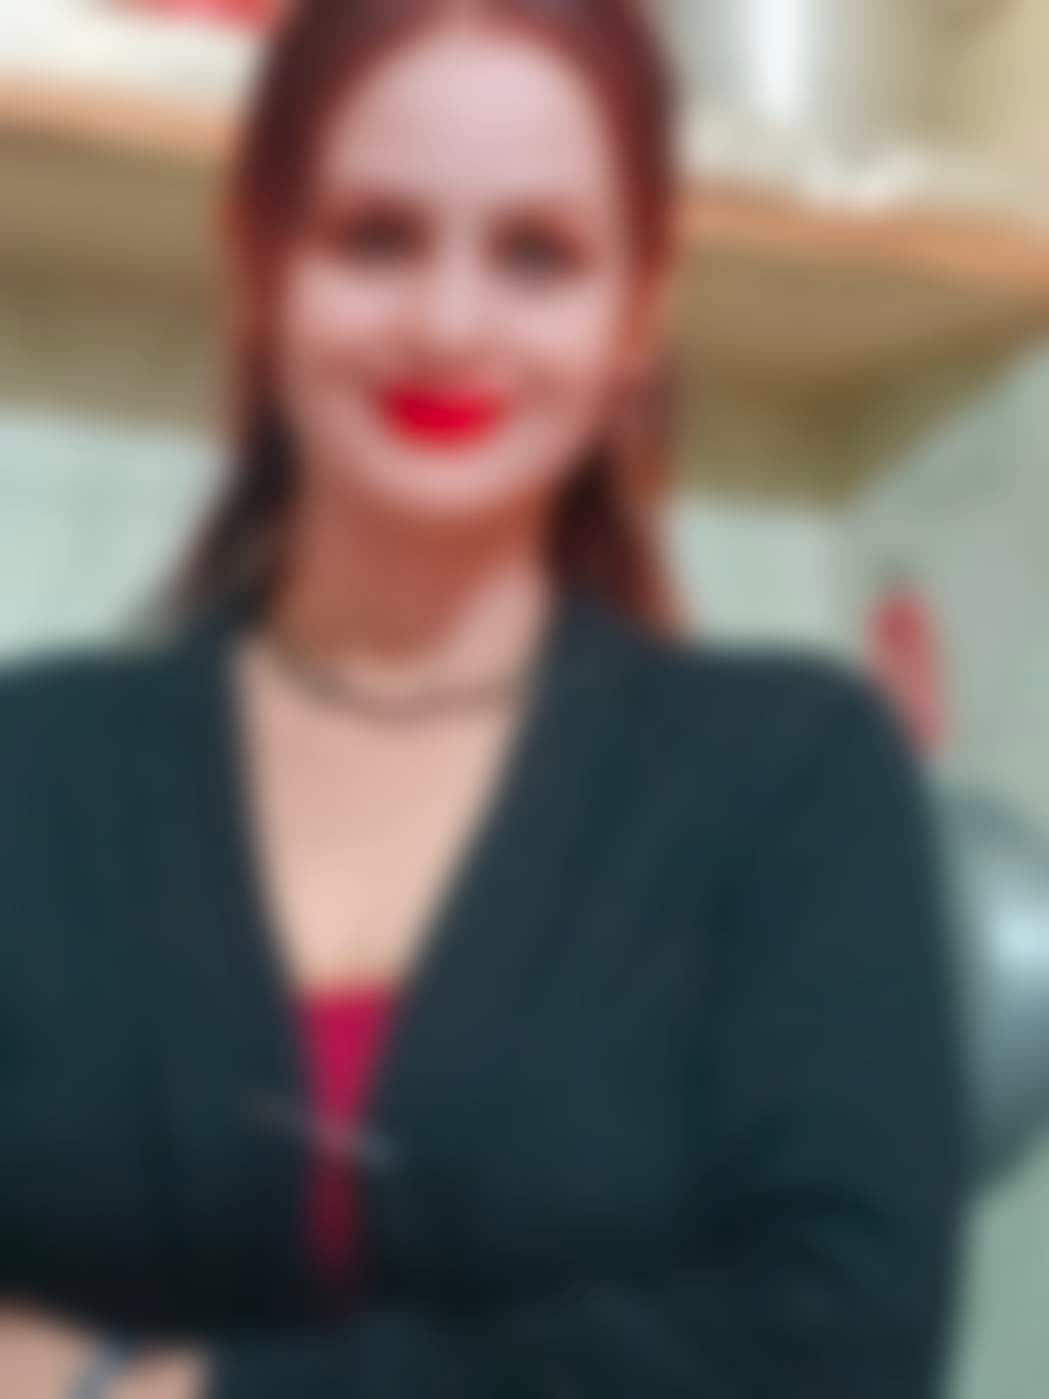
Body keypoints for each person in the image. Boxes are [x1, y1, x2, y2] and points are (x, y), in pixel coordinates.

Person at [0, 2, 965, 1396]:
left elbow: (836, 1350)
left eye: (537, 254)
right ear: (256, 265)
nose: (447, 324)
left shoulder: (796, 777)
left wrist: (164, 1389)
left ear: (637, 313)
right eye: (374, 237)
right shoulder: (31, 768)